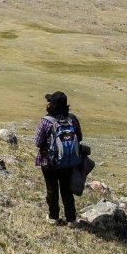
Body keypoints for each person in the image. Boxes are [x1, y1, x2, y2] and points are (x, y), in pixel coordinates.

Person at [34, 91, 83, 224]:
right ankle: (71, 219)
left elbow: (38, 143)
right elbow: (80, 138)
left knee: (52, 189)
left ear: (52, 106)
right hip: (68, 161)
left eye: (49, 102)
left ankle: (53, 217)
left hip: (49, 162)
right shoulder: (72, 119)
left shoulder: (46, 121)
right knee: (67, 190)